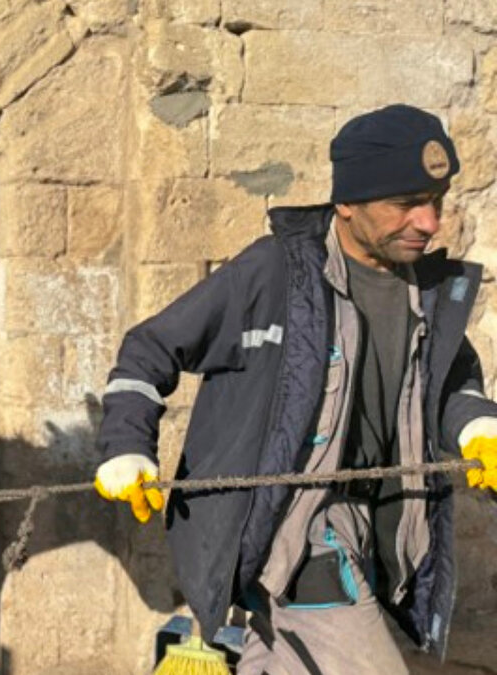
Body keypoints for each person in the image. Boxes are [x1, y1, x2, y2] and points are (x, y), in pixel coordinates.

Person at [92, 104, 497, 674]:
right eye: (405, 205)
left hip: (379, 533)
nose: (429, 223)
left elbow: (453, 383)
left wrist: (480, 428)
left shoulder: (427, 292)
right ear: (348, 202)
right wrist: (126, 447)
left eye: (435, 202)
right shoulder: (274, 273)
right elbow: (149, 348)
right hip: (294, 535)